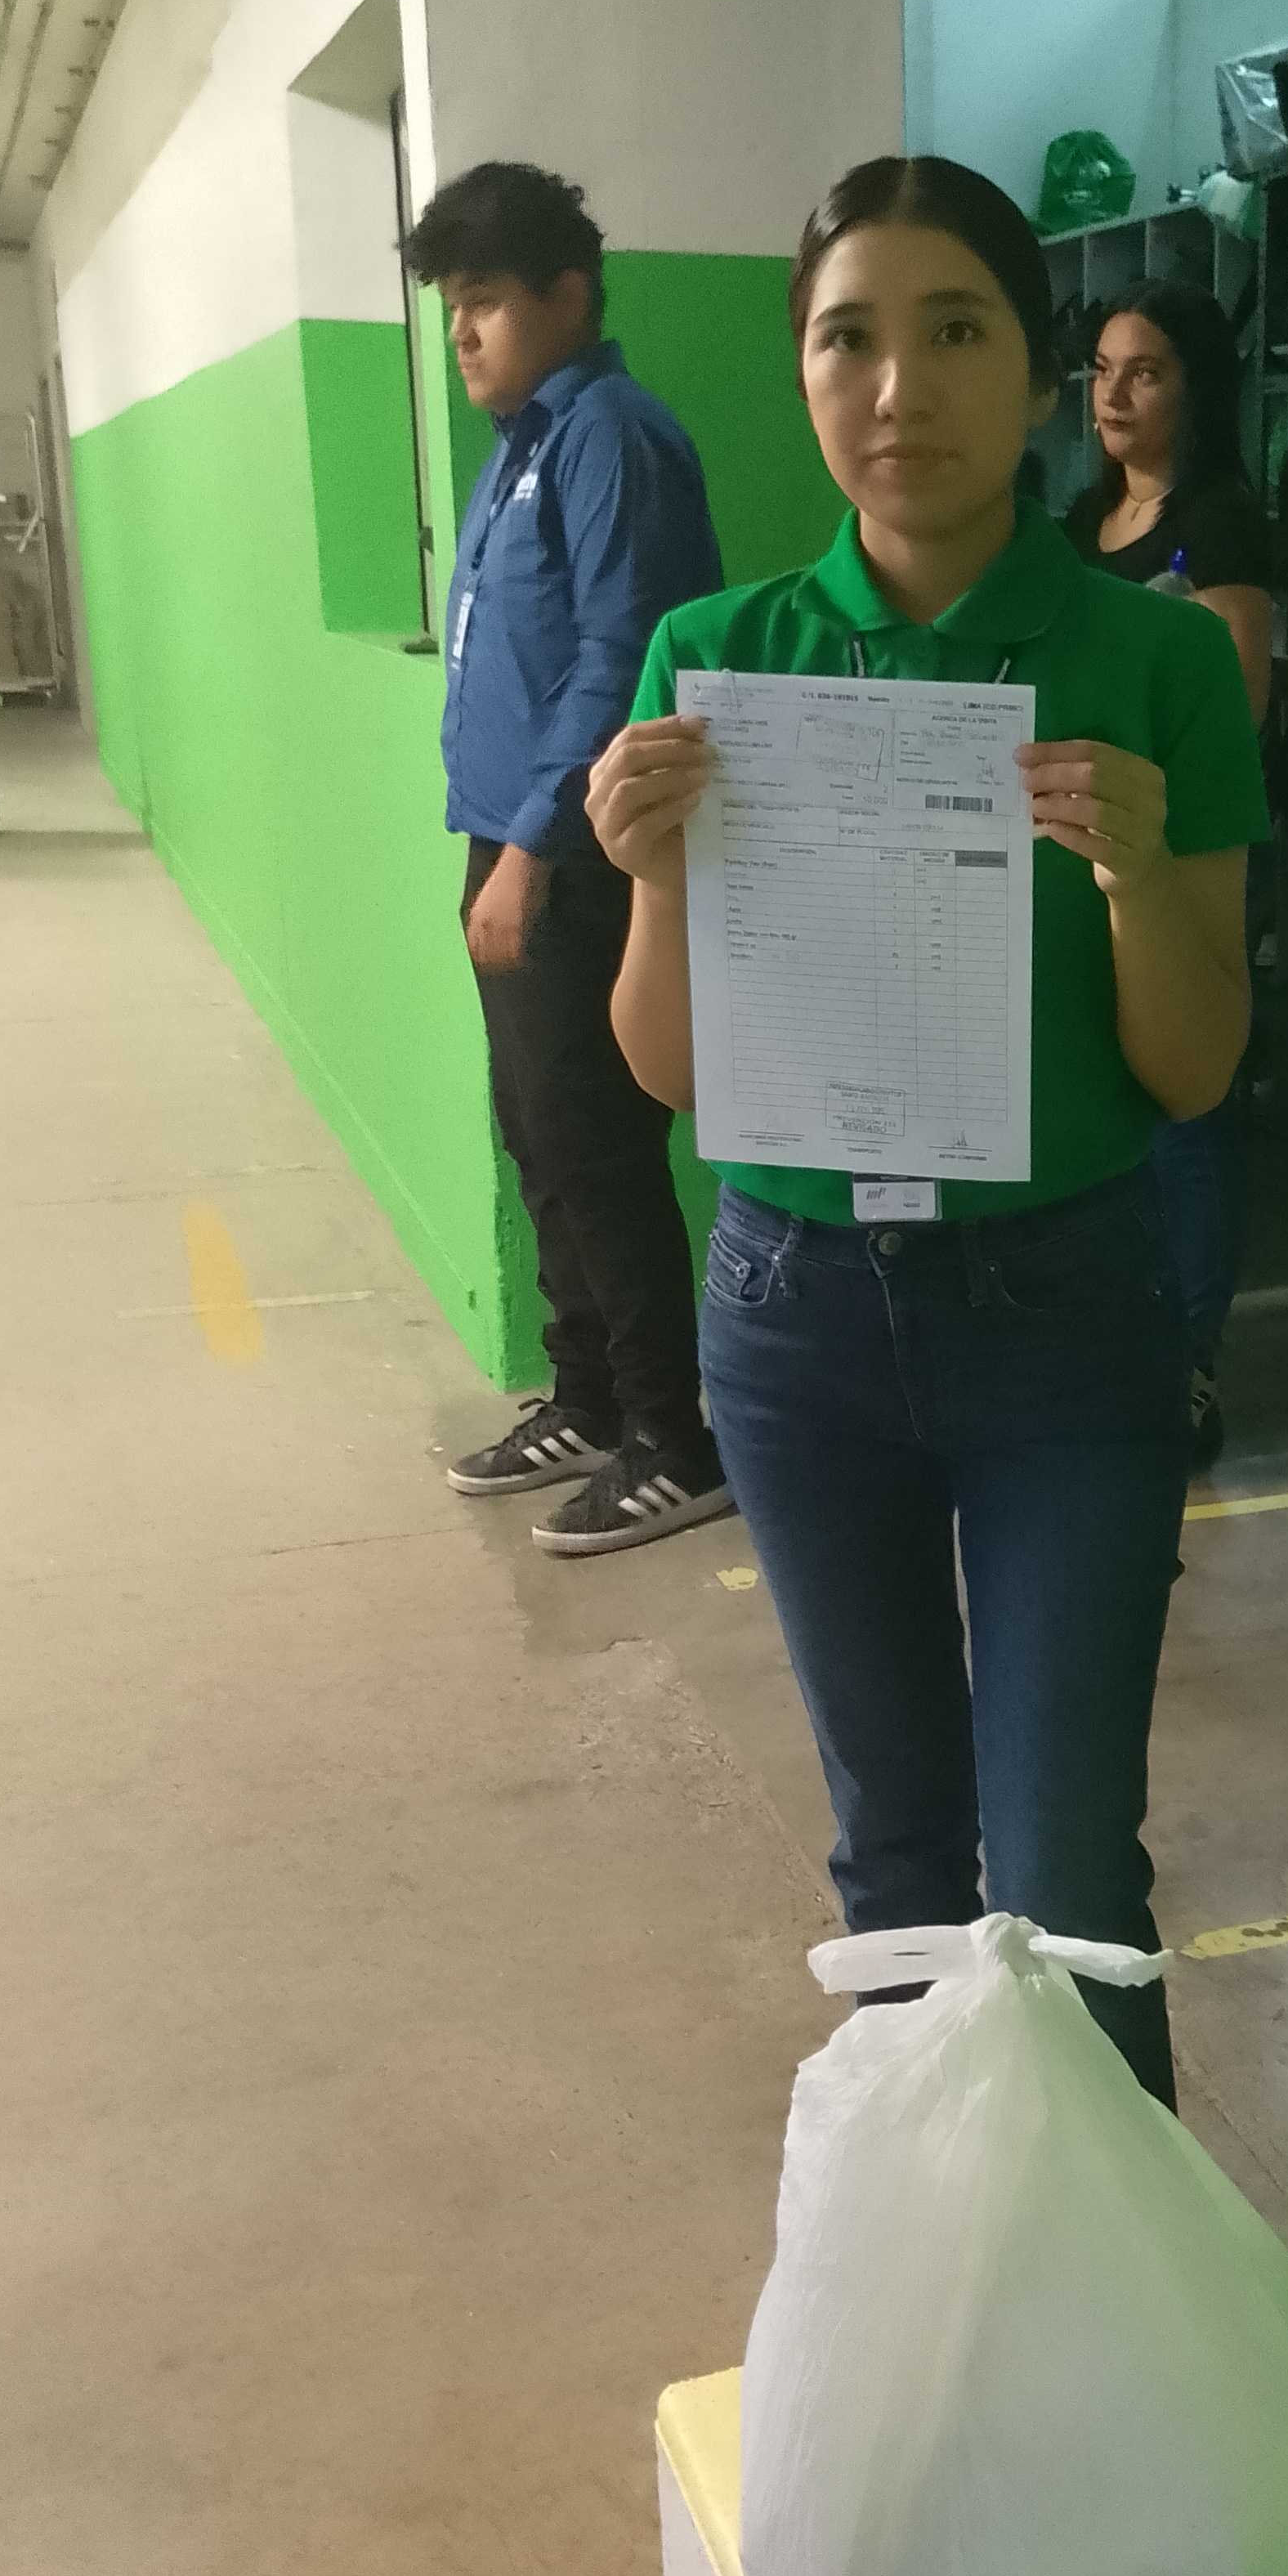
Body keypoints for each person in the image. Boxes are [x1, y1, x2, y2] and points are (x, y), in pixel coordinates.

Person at [584, 158, 1267, 2102]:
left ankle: (1096, 2283)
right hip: (793, 1320)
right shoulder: (721, 660)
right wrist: (651, 879)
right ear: (804, 376)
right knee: (893, 1867)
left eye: (955, 330)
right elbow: (670, 1071)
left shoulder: (1154, 661)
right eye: (848, 339)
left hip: (1068, 1324)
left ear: (1038, 372)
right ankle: (921, 2264)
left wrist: (1137, 877)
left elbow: (1197, 1070)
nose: (901, 388)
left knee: (1064, 1884)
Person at [402, 162, 736, 1556]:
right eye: (452, 308)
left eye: (485, 300)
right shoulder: (522, 445)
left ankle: (673, 1437)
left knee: (594, 1144)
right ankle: (590, 1400)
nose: (463, 332)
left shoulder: (612, 439)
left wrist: (532, 854)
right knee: (536, 1134)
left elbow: (620, 661)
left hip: (576, 856)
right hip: (507, 843)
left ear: (569, 294)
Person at [1063, 283, 1277, 1465]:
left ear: (1194, 388)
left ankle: (1189, 1362)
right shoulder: (1074, 522)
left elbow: (1235, 706)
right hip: (1081, 856)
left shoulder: (1220, 522)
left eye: (1144, 371)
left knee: (1189, 1113)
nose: (1114, 394)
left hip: (1184, 854)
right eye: (1102, 369)